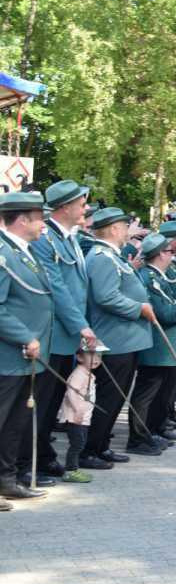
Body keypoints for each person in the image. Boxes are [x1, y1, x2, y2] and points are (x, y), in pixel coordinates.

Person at [28, 179, 94, 482]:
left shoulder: (68, 238)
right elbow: (58, 289)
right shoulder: (46, 239)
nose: (86, 208)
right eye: (82, 203)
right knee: (38, 406)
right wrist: (80, 325)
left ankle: (43, 457)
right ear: (65, 206)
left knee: (52, 403)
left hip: (65, 336)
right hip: (53, 333)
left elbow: (79, 288)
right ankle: (28, 463)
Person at [82, 207, 154, 468]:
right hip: (115, 338)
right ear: (113, 229)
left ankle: (101, 446)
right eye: (125, 226)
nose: (127, 231)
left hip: (124, 338)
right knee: (108, 397)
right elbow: (106, 296)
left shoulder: (113, 256)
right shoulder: (102, 257)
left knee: (116, 397)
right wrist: (139, 308)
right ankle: (89, 450)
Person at [0, 189, 54, 506]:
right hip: (9, 355)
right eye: (39, 219)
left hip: (25, 358)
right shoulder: (4, 254)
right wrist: (24, 336)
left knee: (14, 423)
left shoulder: (22, 251)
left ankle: (6, 479)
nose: (43, 225)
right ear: (22, 220)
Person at [132, 234, 176, 455]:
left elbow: (174, 303)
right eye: (169, 251)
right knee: (147, 392)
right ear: (161, 254)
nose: (172, 255)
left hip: (167, 341)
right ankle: (139, 437)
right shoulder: (149, 277)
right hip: (156, 343)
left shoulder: (162, 276)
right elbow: (163, 313)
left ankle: (152, 431)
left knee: (161, 390)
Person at [57, 347, 101, 484]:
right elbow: (71, 392)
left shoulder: (87, 374)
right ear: (80, 357)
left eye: (99, 356)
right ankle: (70, 471)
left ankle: (73, 469)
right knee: (77, 444)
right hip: (76, 417)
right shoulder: (79, 374)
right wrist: (77, 410)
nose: (96, 359)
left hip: (83, 417)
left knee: (80, 444)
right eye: (92, 356)